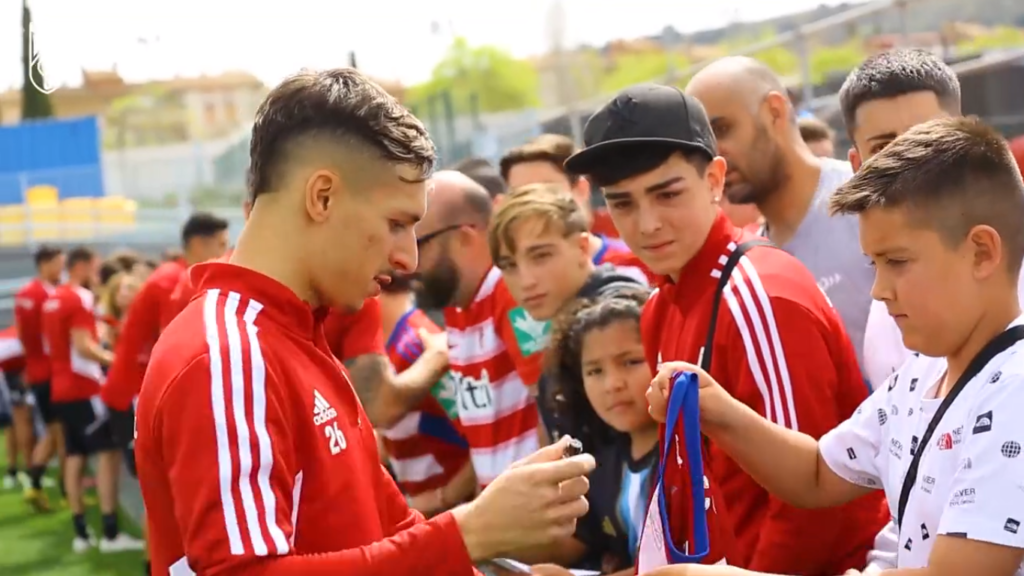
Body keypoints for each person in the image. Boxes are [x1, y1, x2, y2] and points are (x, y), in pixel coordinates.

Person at [135, 68, 595, 575]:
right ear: (323, 197)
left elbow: (393, 534)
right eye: (396, 224)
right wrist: (470, 532)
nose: (408, 260)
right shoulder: (228, 354)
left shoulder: (299, 338)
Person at [648, 116, 1024, 576]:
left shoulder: (1015, 390)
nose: (878, 290)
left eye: (897, 262)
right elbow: (818, 474)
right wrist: (717, 410)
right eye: (873, 264)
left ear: (982, 252)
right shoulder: (922, 373)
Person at [564, 83, 886, 574]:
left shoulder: (759, 294)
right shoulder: (657, 309)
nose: (647, 223)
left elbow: (813, 503)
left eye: (667, 193)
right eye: (623, 203)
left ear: (715, 180)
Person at [685, 56, 873, 374]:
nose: (713, 155)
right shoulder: (751, 262)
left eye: (723, 129)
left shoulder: (866, 201)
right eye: (702, 144)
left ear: (775, 112)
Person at [531, 290, 735, 575]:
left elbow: (684, 566)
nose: (612, 384)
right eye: (595, 371)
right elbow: (579, 539)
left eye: (630, 362)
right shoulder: (603, 462)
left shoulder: (688, 458)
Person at [837, 48, 965, 392]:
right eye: (884, 147)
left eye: (926, 137)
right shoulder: (884, 307)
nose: (910, 159)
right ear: (857, 165)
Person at [415, 170, 547, 488]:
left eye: (419, 243)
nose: (405, 259)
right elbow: (487, 443)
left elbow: (552, 407)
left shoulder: (509, 292)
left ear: (465, 236)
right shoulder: (459, 304)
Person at [488, 184, 645, 440]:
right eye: (509, 265)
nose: (526, 280)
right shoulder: (569, 323)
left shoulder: (615, 315)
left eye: (540, 256)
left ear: (582, 248)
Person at [44, 246, 143, 553]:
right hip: (84, 386)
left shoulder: (54, 298)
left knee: (75, 455)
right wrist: (119, 361)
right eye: (95, 265)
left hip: (59, 383)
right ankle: (111, 534)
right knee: (108, 454)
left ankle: (81, 532)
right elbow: (84, 347)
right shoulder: (79, 298)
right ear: (83, 266)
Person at [102, 212, 229, 433]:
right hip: (136, 389)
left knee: (111, 460)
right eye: (221, 244)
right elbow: (175, 345)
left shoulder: (175, 275)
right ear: (198, 243)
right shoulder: (173, 281)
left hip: (135, 384)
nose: (224, 252)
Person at [377, 273, 475, 517]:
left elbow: (482, 435)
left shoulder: (417, 347)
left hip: (459, 521)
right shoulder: (390, 347)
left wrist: (444, 497)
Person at [501, 133, 627, 246]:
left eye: (547, 191)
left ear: (581, 190)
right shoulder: (506, 271)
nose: (533, 204)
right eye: (520, 195)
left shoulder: (636, 266)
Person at [16, 244, 64, 511]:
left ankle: (40, 483)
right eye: (59, 262)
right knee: (60, 432)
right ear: (46, 263)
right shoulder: (49, 295)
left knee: (55, 430)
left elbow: (24, 335)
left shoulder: (25, 293)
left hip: (36, 371)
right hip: (51, 372)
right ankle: (39, 483)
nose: (62, 268)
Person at [0, 325, 27, 490]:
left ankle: (19, 469)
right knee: (15, 423)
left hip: (12, 374)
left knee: (15, 424)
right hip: (9, 377)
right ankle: (16, 469)